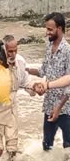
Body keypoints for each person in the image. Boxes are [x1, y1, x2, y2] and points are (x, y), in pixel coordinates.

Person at [0, 35, 36, 161]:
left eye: (15, 50)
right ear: (4, 50)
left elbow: (26, 82)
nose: (13, 54)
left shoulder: (20, 61)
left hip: (11, 108)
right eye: (10, 51)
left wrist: (35, 87)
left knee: (12, 149)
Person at [27, 12, 70, 151]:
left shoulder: (68, 51)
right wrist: (25, 69)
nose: (47, 33)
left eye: (50, 29)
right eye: (46, 29)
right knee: (47, 146)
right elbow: (43, 71)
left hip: (66, 108)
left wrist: (58, 108)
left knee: (68, 148)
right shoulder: (48, 47)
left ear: (60, 29)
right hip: (49, 104)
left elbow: (69, 84)